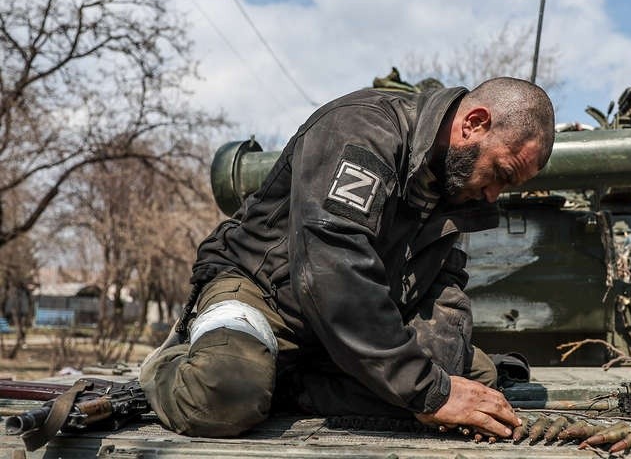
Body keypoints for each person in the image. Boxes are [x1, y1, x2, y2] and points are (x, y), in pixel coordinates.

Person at [139, 76, 555, 439]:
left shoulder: (456, 181)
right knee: (225, 392)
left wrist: (441, 380)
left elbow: (443, 284)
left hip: (348, 319)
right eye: (502, 174)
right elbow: (334, 268)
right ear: (474, 124)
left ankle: (293, 379)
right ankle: (178, 360)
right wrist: (428, 390)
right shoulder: (363, 128)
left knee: (474, 380)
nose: (494, 196)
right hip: (267, 296)